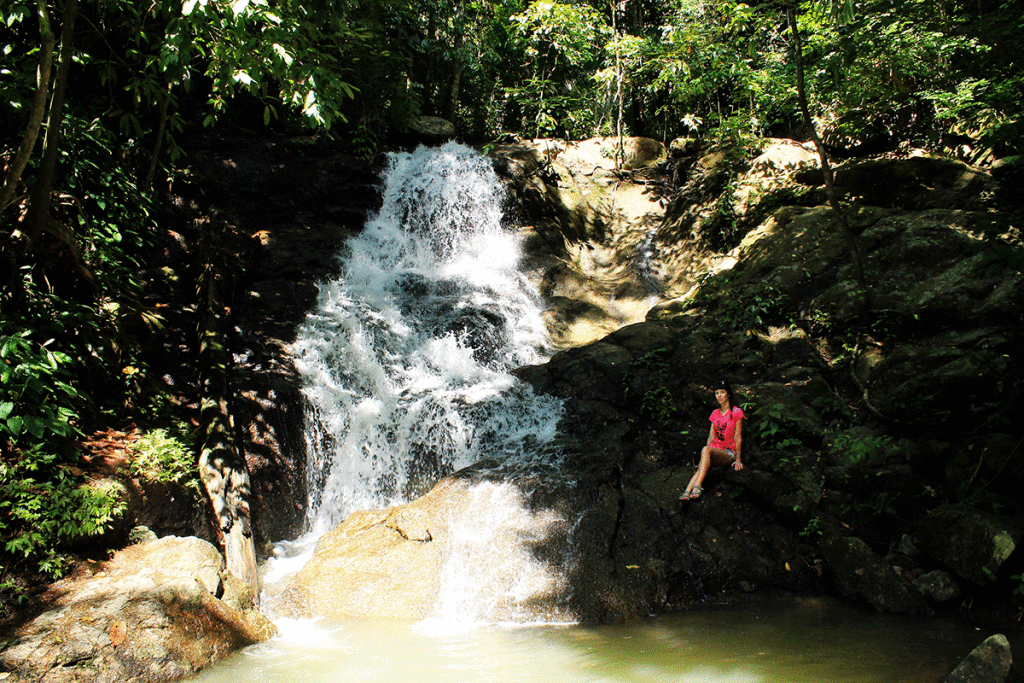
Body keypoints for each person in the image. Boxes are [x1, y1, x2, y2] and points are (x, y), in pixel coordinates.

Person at [681, 381, 744, 501]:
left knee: (706, 449)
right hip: (714, 450)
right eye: (716, 393)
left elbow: (738, 437)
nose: (719, 396)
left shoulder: (736, 412)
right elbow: (711, 437)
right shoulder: (715, 413)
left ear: (728, 394)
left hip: (728, 453)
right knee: (702, 465)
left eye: (722, 392)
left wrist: (738, 460)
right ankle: (687, 491)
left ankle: (697, 486)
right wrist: (704, 458)